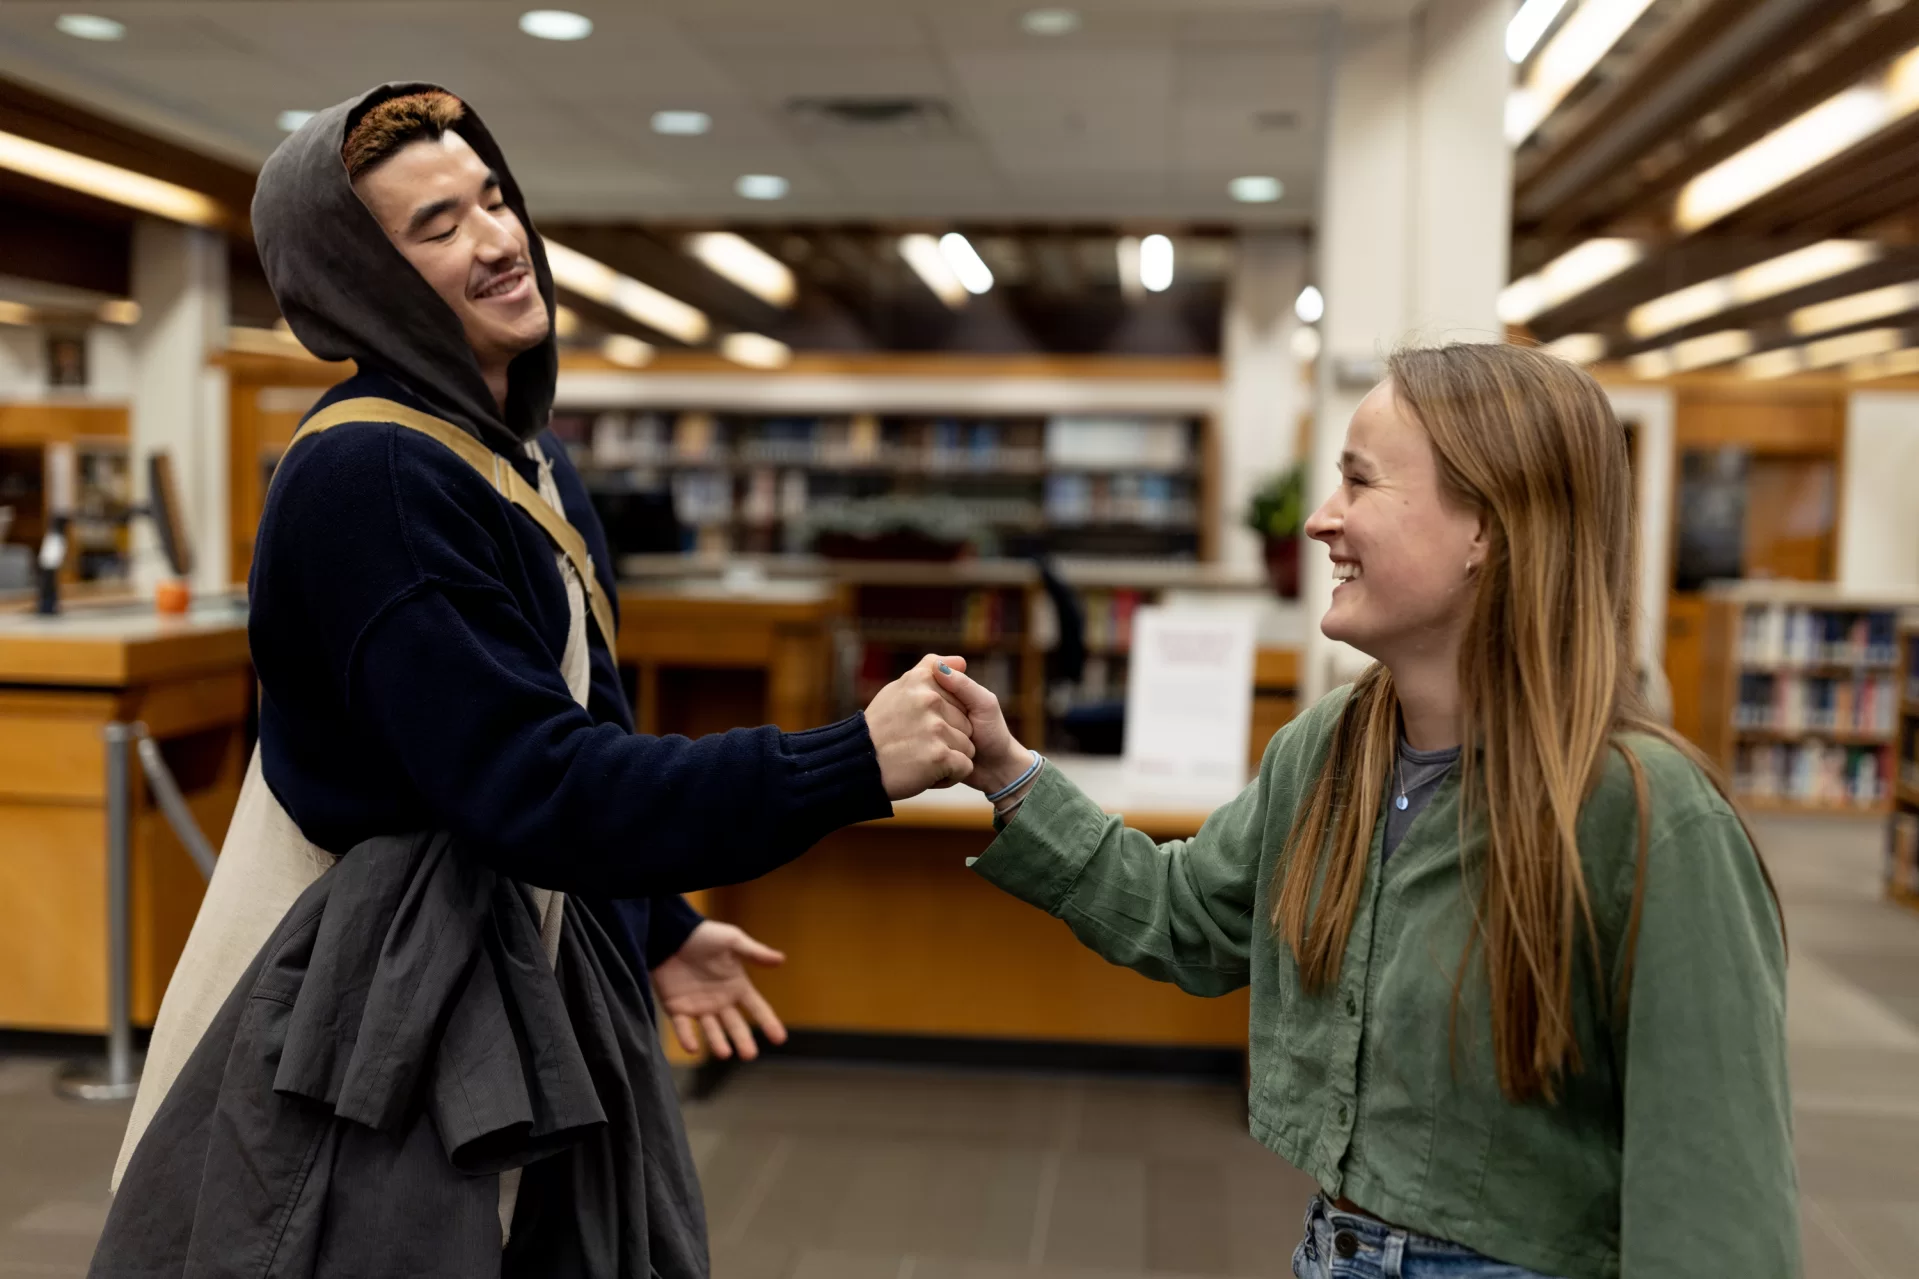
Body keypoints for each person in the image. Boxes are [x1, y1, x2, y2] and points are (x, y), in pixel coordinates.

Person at [104, 82, 976, 1277]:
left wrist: (655, 924)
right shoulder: (377, 481)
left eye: (494, 198)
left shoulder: (528, 459)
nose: (500, 239)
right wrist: (851, 761)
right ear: (365, 279)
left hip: (522, 957)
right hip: (380, 1021)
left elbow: (572, 723)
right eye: (437, 226)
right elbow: (536, 782)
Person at [934, 343, 1796, 1279]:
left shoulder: (1647, 815)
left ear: (1486, 529)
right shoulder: (1327, 749)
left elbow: (1717, 1211)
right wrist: (1008, 770)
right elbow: (1189, 917)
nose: (1318, 520)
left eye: (1359, 481)